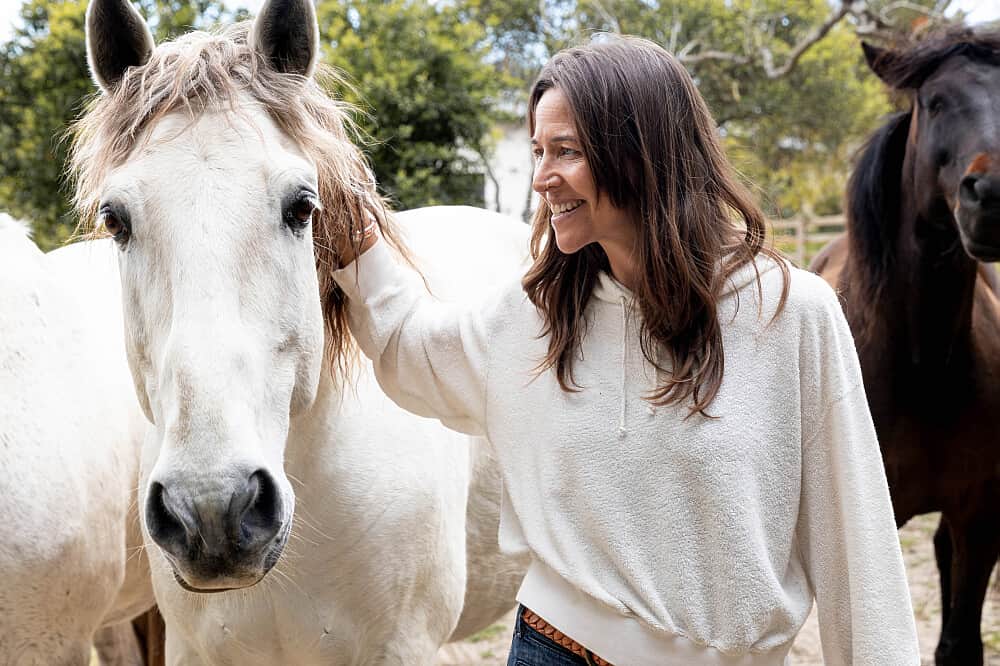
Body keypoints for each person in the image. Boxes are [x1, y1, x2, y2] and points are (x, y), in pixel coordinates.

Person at [332, 35, 919, 666]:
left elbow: (855, 537)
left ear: (640, 154)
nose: (540, 179)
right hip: (555, 650)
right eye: (538, 152)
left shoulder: (790, 312)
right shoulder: (535, 316)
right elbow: (414, 351)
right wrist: (359, 249)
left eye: (565, 152)